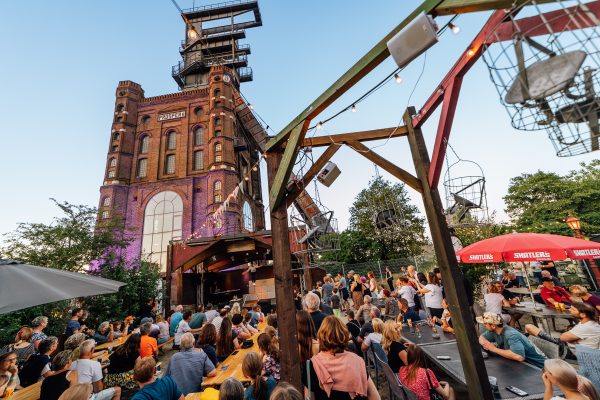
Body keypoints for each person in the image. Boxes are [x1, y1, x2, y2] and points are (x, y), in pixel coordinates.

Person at [308, 316, 380, 400]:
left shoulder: (312, 365)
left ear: (321, 337)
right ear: (344, 336)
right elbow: (375, 397)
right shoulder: (357, 361)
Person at [478, 312, 546, 368]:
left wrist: (493, 349)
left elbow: (519, 357)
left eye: (485, 323)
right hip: (526, 366)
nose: (484, 325)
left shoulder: (511, 335)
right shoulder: (494, 331)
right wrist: (487, 344)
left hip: (540, 368)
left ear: (493, 326)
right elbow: (481, 338)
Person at [526, 302, 600, 351]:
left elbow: (562, 338)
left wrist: (570, 337)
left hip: (568, 350)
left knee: (529, 327)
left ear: (583, 315)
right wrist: (572, 338)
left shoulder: (587, 327)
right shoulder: (590, 322)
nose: (570, 310)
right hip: (571, 345)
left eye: (573, 309)